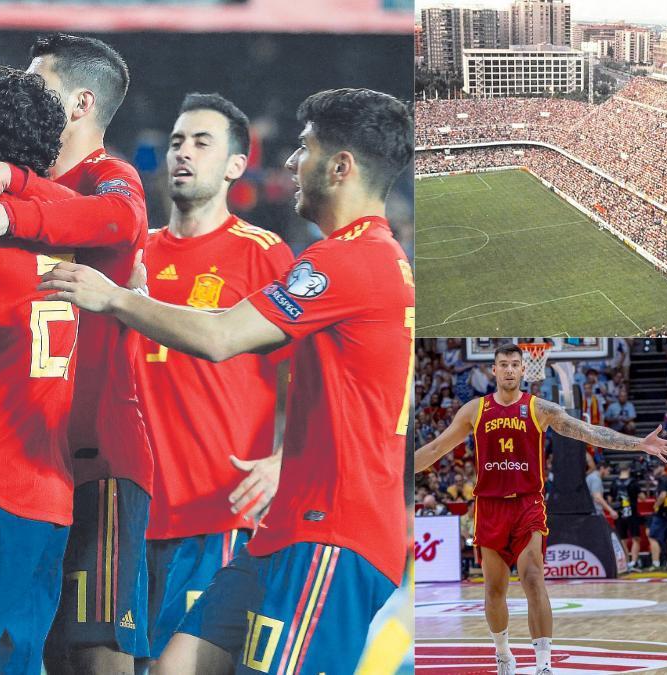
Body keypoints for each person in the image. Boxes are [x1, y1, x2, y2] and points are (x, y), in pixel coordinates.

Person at [42, 87, 413, 674]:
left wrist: (115, 299)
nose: (290, 162)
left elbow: (221, 338)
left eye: (304, 148)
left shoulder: (345, 260)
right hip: (281, 529)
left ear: (341, 167)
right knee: (173, 666)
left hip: (331, 529)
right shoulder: (361, 259)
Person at [0, 35, 153, 672]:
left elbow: (121, 222)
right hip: (32, 460)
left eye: (35, 82)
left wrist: (9, 201)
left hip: (94, 453)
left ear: (78, 103)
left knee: (96, 650)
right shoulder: (13, 188)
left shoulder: (107, 178)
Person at [136, 93, 295, 660]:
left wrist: (285, 459)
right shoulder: (134, 256)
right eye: (177, 141)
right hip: (130, 512)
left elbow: (311, 374)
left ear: (235, 165)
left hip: (218, 514)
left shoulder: (263, 255)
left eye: (202, 143)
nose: (184, 152)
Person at [413, 344, 667, 675]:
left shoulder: (539, 409)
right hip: (490, 506)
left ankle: (543, 665)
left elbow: (588, 432)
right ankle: (502, 652)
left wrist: (637, 443)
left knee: (534, 577)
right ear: (493, 371)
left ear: (524, 370)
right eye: (503, 365)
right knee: (494, 589)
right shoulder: (474, 410)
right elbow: (438, 447)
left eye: (514, 364)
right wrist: (397, 468)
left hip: (528, 503)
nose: (509, 370)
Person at [609, 465, 643, 570]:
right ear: (629, 470)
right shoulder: (633, 482)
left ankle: (626, 562)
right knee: (636, 539)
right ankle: (633, 562)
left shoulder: (614, 483)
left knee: (623, 539)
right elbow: (642, 498)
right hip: (632, 514)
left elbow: (610, 499)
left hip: (619, 514)